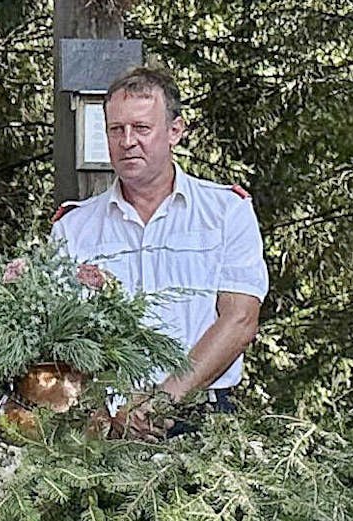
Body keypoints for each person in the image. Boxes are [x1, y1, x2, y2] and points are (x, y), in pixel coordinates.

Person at [51, 66, 268, 434]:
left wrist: (166, 398)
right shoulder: (74, 227)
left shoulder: (226, 212)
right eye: (116, 129)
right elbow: (60, 335)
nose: (127, 141)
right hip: (106, 424)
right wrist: (109, 408)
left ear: (175, 132)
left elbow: (240, 320)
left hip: (202, 418)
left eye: (142, 128)